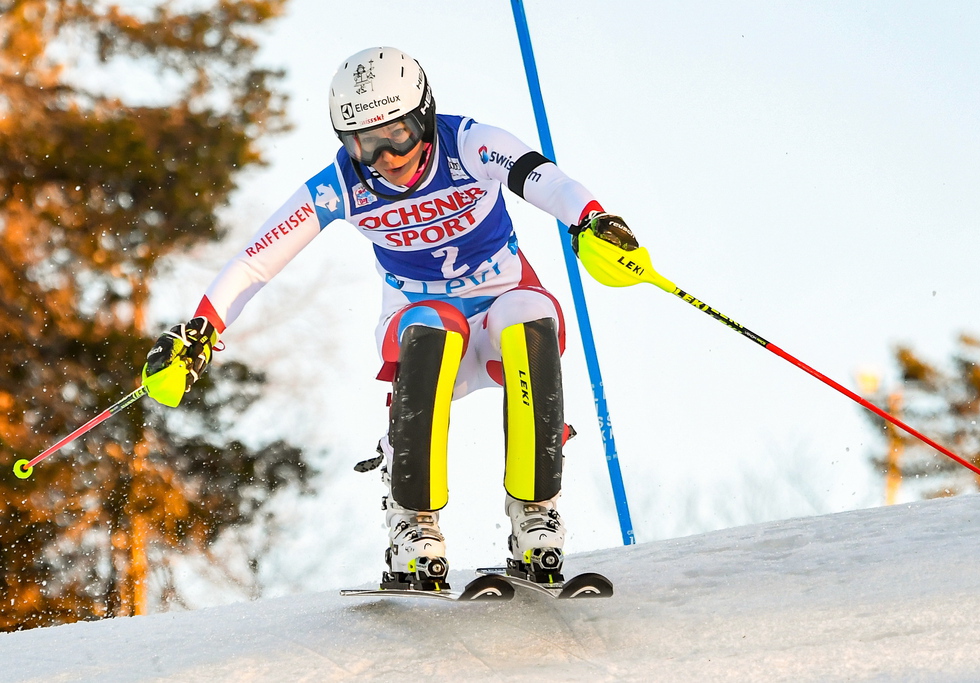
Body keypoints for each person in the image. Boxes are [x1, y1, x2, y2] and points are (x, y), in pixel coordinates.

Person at [141, 46, 642, 591]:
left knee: (531, 312)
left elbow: (546, 180)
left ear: (423, 116)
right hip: (419, 318)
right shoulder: (341, 184)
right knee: (434, 324)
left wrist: (591, 220)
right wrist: (201, 329)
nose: (383, 156)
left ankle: (535, 514)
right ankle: (413, 521)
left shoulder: (470, 144)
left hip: (502, 306)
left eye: (396, 133)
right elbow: (259, 259)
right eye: (363, 142)